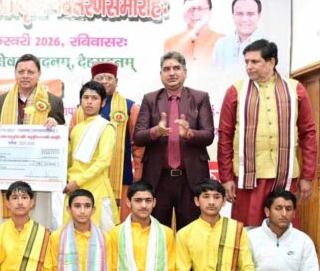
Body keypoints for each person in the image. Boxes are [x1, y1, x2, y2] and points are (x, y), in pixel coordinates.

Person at [217, 39, 318, 227]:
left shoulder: (295, 89)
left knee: (283, 227)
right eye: (247, 62)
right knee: (248, 229)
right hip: (247, 177)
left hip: (286, 174)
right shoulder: (236, 91)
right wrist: (226, 178)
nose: (249, 66)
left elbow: (308, 134)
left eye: (255, 61)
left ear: (271, 62)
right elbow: (224, 136)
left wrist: (307, 176)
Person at [133, 51, 214, 231]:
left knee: (191, 231)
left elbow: (208, 135)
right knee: (158, 231)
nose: (172, 73)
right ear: (161, 74)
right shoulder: (150, 99)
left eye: (176, 68)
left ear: (185, 72)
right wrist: (156, 131)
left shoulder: (200, 98)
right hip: (159, 178)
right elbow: (138, 136)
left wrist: (189, 134)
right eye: (167, 69)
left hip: (191, 179)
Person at [0, 53, 65, 229]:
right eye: (21, 71)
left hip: (39, 174)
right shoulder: (1, 101)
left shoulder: (53, 101)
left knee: (38, 225)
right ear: (15, 73)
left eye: (30, 72)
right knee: (6, 227)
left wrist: (57, 127)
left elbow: (63, 139)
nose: (25, 75)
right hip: (8, 172)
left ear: (39, 74)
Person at [85, 62, 142, 220]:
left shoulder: (130, 107)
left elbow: (138, 145)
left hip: (120, 176)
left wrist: (138, 173)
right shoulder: (81, 109)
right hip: (89, 177)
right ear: (92, 81)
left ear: (116, 81)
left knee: (120, 221)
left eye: (108, 78)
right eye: (100, 78)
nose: (104, 81)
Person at [63, 81, 118, 231]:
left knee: (100, 237)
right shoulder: (76, 129)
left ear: (103, 102)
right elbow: (69, 161)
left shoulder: (106, 127)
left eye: (94, 98)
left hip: (96, 189)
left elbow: (103, 162)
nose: (89, 102)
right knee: (72, 236)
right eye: (86, 97)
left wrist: (78, 182)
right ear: (80, 101)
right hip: (73, 188)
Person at [163, 0, 223, 67]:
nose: (195, 13)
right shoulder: (170, 43)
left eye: (200, 8)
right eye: (190, 8)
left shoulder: (223, 42)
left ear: (210, 12)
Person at [213, 0, 265, 71]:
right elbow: (216, 74)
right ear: (233, 15)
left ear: (259, 15)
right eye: (239, 14)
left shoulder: (269, 45)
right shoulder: (222, 44)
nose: (244, 19)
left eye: (250, 14)